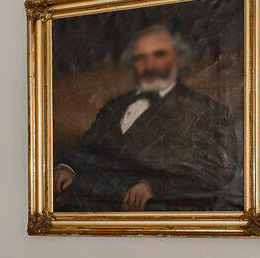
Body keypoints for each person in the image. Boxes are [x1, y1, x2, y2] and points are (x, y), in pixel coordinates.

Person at [53, 24, 240, 212]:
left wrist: (155, 186)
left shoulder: (205, 110)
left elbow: (216, 169)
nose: (148, 64)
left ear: (179, 61)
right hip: (91, 214)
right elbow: (89, 147)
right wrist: (68, 167)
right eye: (141, 57)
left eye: (159, 55)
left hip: (155, 220)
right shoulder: (116, 105)